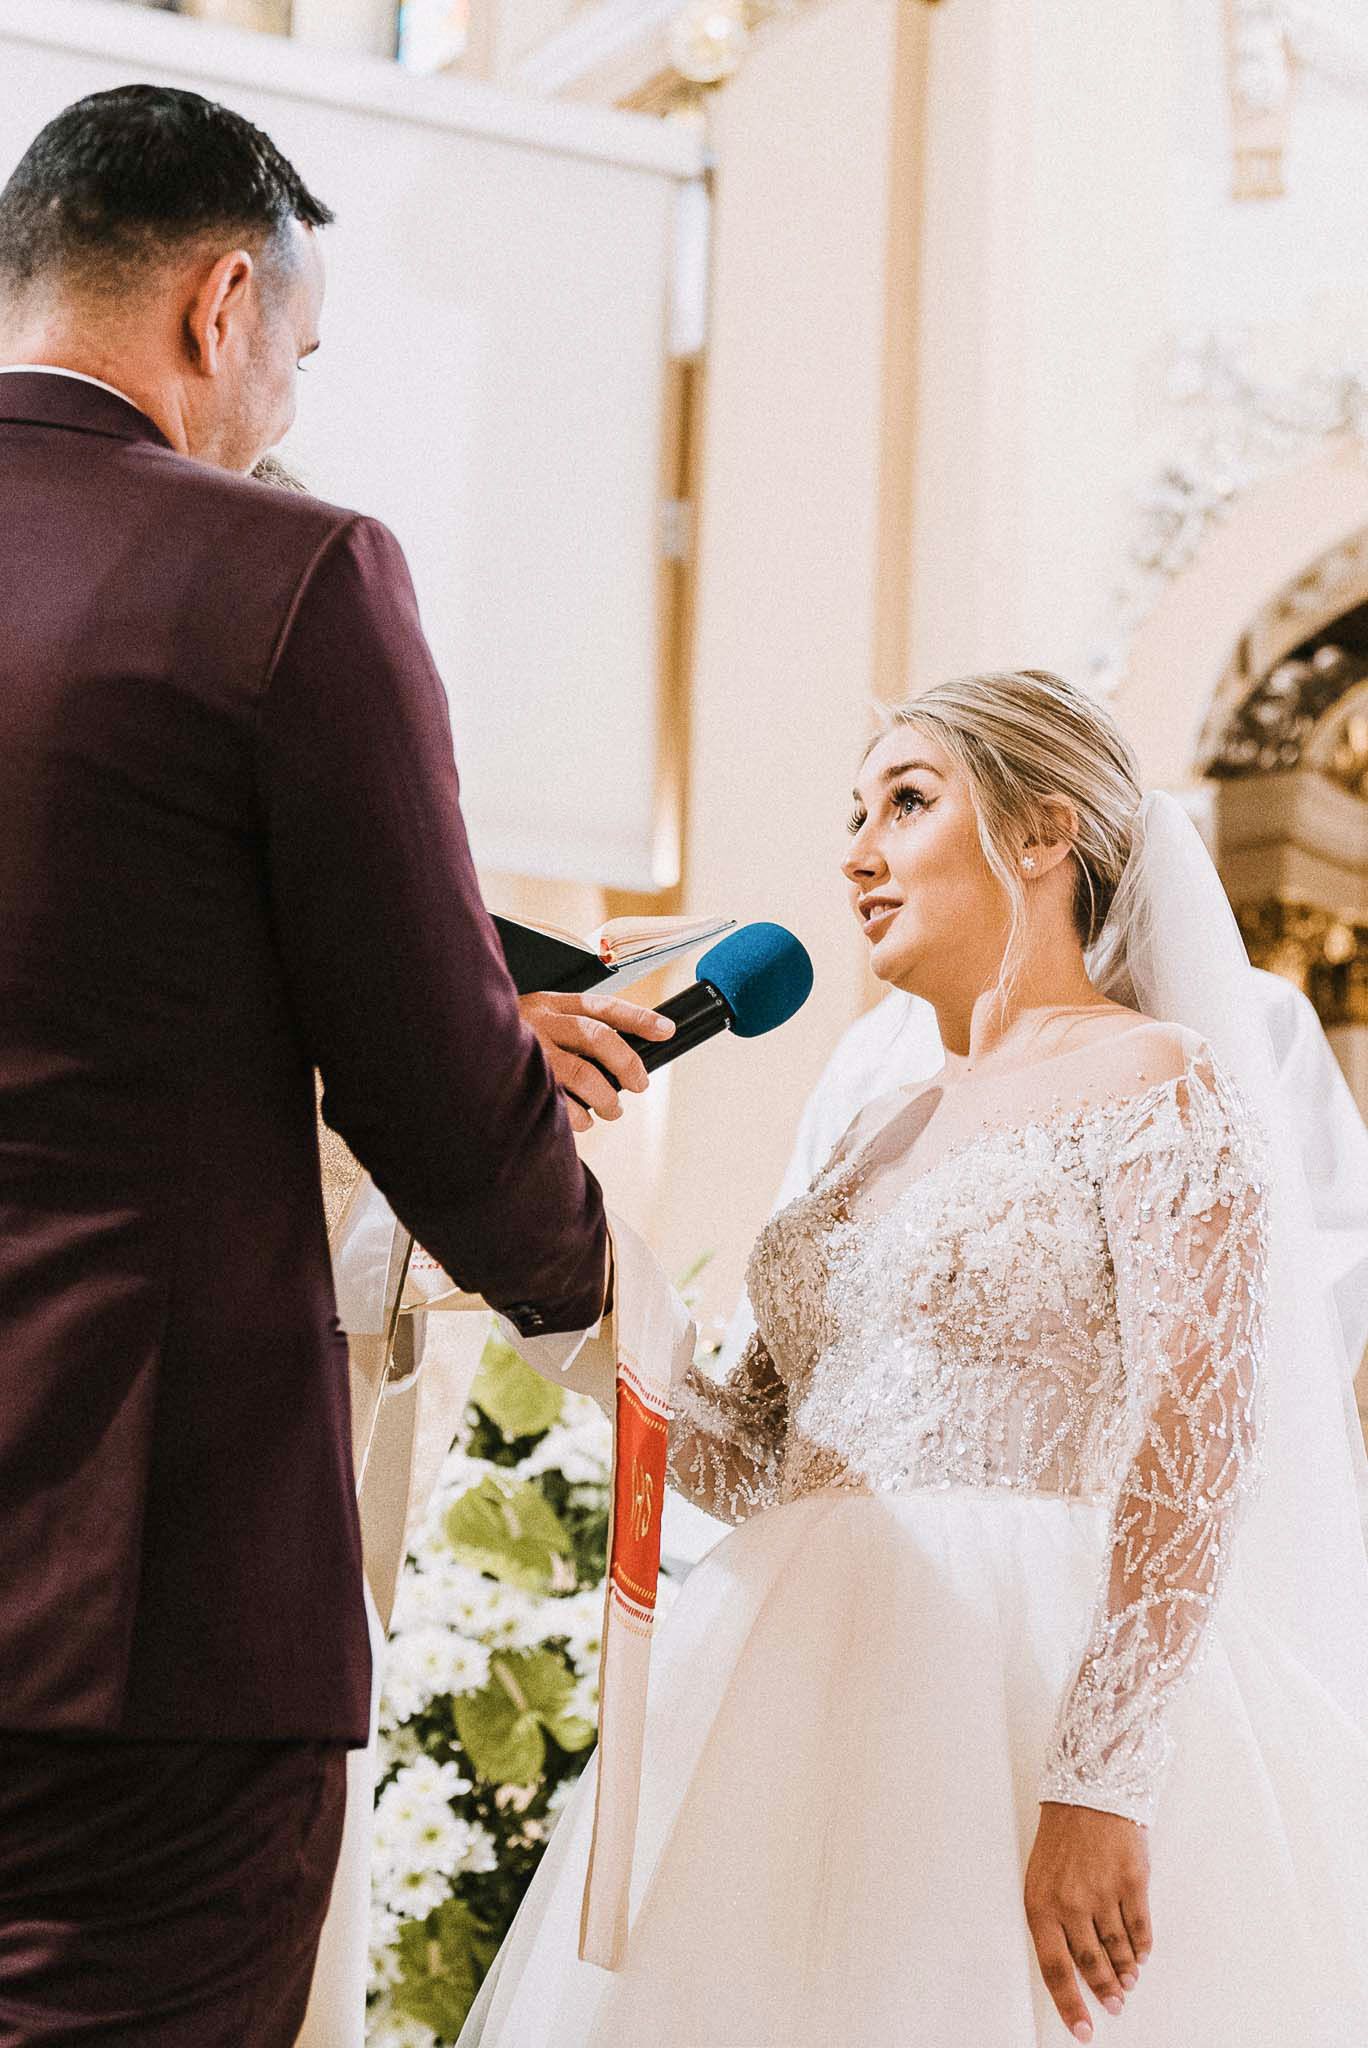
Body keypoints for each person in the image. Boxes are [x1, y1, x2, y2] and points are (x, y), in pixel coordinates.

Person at [0, 86, 667, 2046]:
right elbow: (434, 1083)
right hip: (135, 1577)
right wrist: (600, 1300)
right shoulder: (281, 575)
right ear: (222, 304)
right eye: (296, 351)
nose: (282, 401)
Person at [461, 669, 1368, 2045]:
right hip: (793, 1687)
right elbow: (756, 1457)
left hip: (1023, 1690)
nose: (857, 853)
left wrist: (1102, 1778)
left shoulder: (1160, 1081)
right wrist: (570, 1282)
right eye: (854, 814)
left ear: (1045, 831)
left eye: (907, 801)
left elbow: (1196, 1443)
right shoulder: (872, 1127)